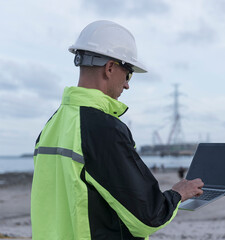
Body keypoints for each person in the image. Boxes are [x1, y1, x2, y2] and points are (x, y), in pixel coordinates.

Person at [31, 20, 204, 240]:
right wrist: (178, 193)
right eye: (128, 73)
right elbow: (149, 216)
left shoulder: (52, 124)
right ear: (110, 68)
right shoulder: (104, 129)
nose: (127, 85)